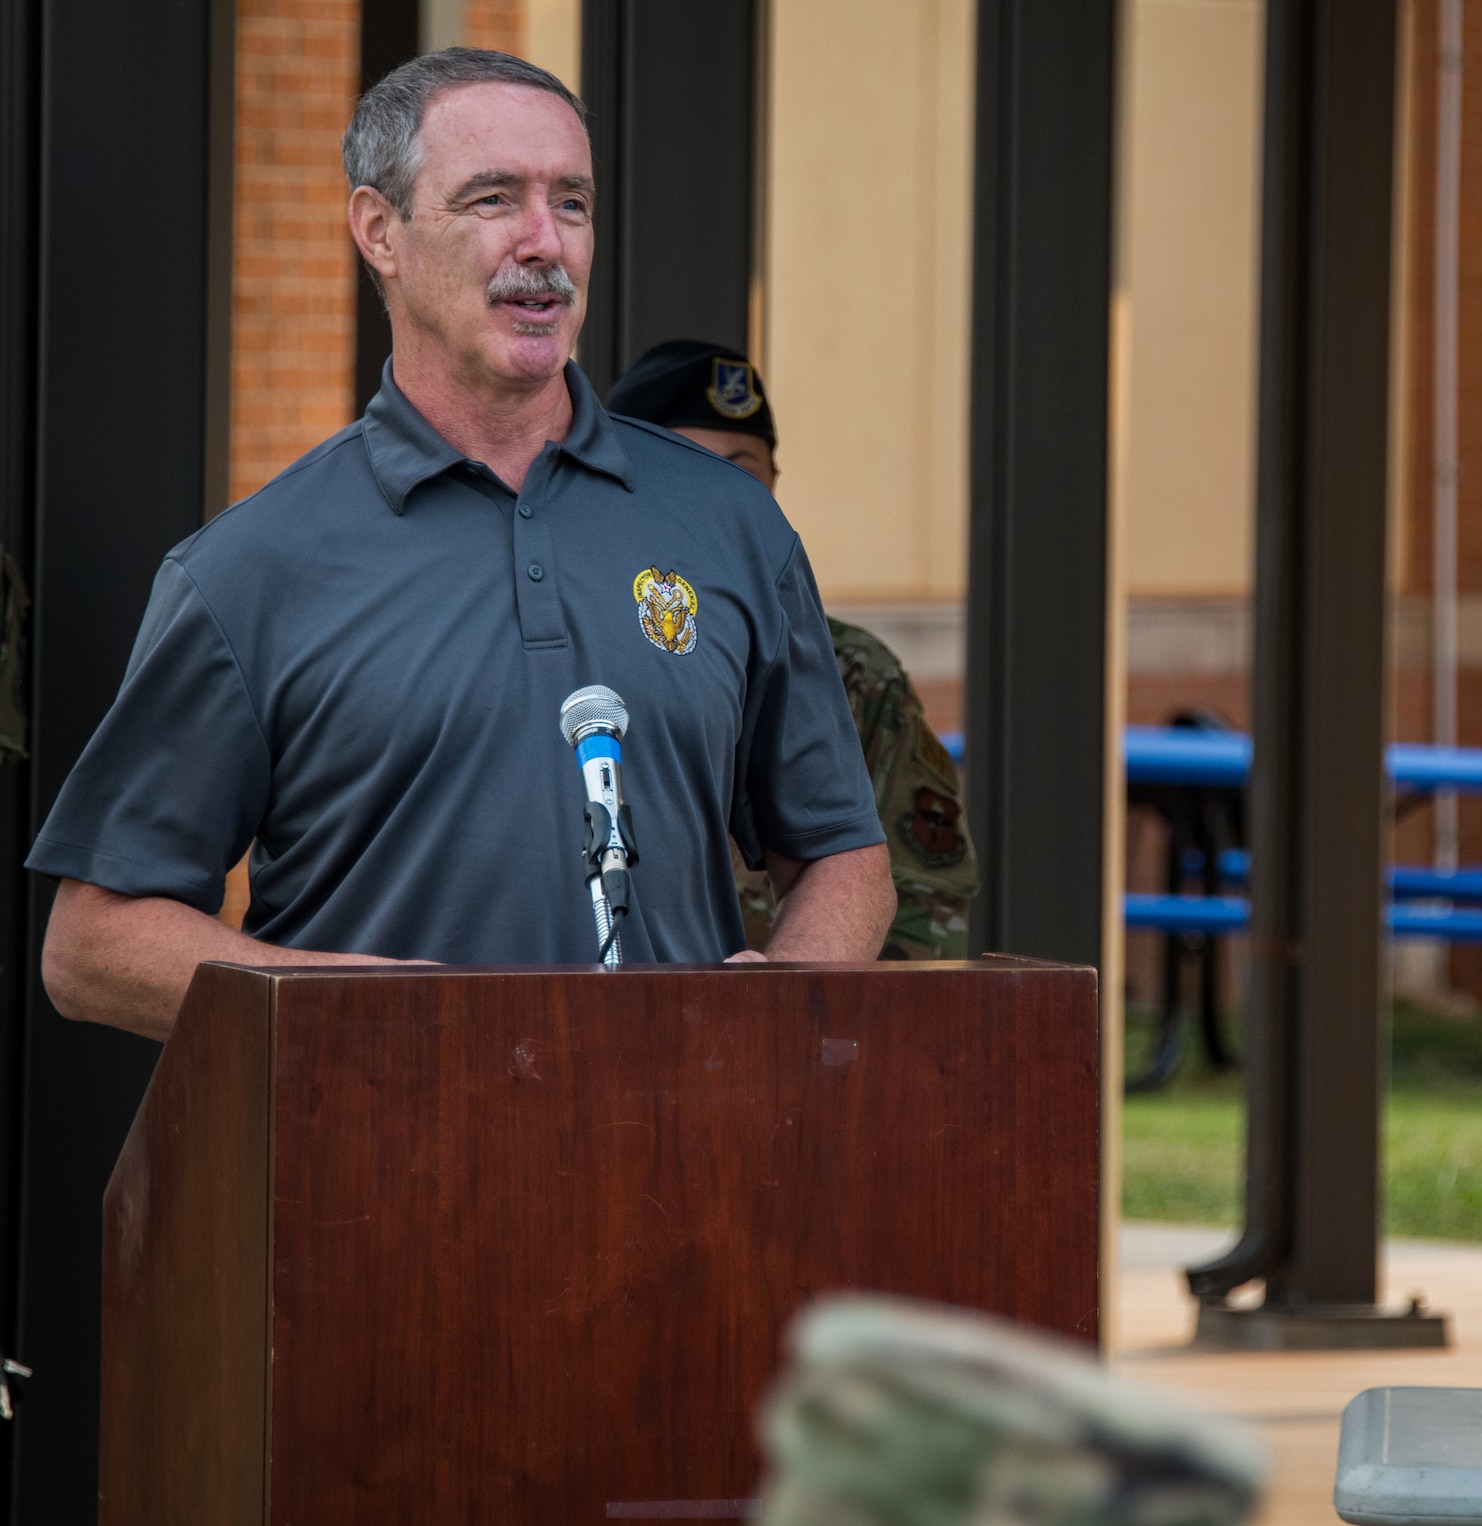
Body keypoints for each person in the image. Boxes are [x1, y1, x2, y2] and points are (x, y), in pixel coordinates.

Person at [30, 49, 895, 1041]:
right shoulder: (249, 569)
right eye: (492, 199)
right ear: (379, 231)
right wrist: (347, 1012)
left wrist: (782, 1004)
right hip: (372, 1174)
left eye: (570, 203)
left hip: (679, 1167)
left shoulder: (731, 525)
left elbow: (841, 854)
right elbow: (92, 942)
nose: (545, 243)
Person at [606, 340, 978, 959]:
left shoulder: (854, 673)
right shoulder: (575, 648)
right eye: (686, 469)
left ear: (772, 485)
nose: (713, 497)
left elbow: (925, 906)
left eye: (740, 472)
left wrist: (797, 1006)